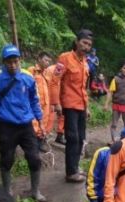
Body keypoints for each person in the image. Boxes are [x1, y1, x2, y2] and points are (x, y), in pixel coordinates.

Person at [0, 44, 45, 202]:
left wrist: (40, 121)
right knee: (7, 160)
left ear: (20, 60)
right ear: (4, 62)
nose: (13, 65)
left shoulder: (28, 77)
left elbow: (34, 100)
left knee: (34, 158)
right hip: (7, 126)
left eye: (15, 61)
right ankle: (7, 191)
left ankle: (35, 191)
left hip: (26, 126)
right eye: (9, 62)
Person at [54, 30, 93, 183]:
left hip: (81, 105)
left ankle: (75, 168)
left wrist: (87, 107)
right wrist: (56, 102)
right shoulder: (65, 58)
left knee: (81, 138)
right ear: (77, 42)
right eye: (84, 43)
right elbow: (55, 81)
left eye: (89, 45)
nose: (86, 47)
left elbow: (83, 87)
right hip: (69, 104)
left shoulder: (85, 62)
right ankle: (70, 173)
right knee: (73, 138)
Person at [105, 62, 125, 142]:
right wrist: (106, 104)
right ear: (121, 69)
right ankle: (113, 140)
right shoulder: (115, 79)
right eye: (124, 68)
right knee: (114, 124)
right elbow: (110, 92)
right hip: (116, 105)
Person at [28, 52, 53, 152]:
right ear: (39, 59)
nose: (47, 63)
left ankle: (40, 143)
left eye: (49, 61)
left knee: (44, 123)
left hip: (45, 103)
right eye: (45, 60)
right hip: (35, 103)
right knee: (34, 123)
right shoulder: (32, 71)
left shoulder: (46, 73)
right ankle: (32, 145)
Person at [43, 62, 65, 144]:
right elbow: (53, 85)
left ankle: (59, 134)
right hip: (49, 97)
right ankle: (42, 138)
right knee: (49, 117)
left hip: (57, 95)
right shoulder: (57, 69)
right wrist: (55, 103)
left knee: (58, 116)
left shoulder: (55, 68)